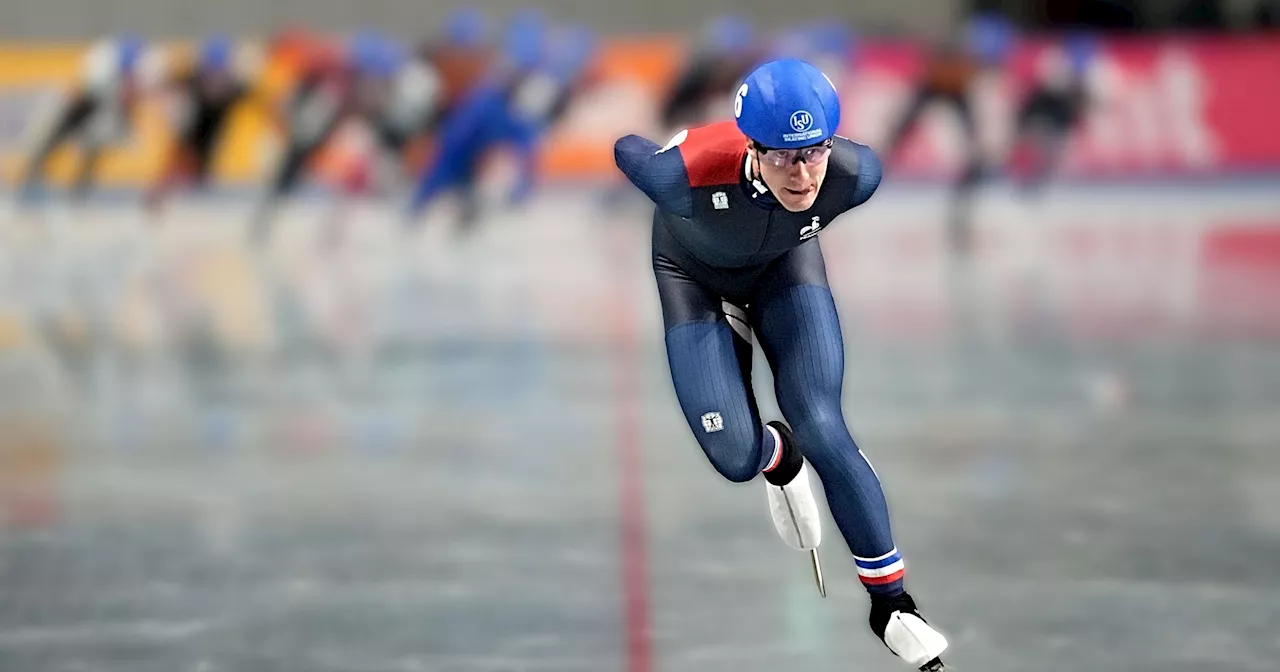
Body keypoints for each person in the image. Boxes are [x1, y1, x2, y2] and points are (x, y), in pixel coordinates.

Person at [613, 59, 950, 671]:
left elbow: (822, 173)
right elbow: (625, 147)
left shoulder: (856, 174)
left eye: (815, 152)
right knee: (736, 458)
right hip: (694, 280)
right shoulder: (681, 177)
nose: (803, 173)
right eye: (784, 157)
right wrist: (670, 145)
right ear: (752, 148)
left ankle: (893, 605)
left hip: (783, 271)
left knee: (824, 424)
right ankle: (777, 456)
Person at [17, 35, 148, 203]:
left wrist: (124, 122)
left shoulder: (129, 76)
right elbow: (80, 94)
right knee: (50, 142)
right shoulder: (100, 66)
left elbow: (123, 104)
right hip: (78, 106)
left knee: (95, 145)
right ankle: (29, 185)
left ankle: (78, 193)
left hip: (96, 107)